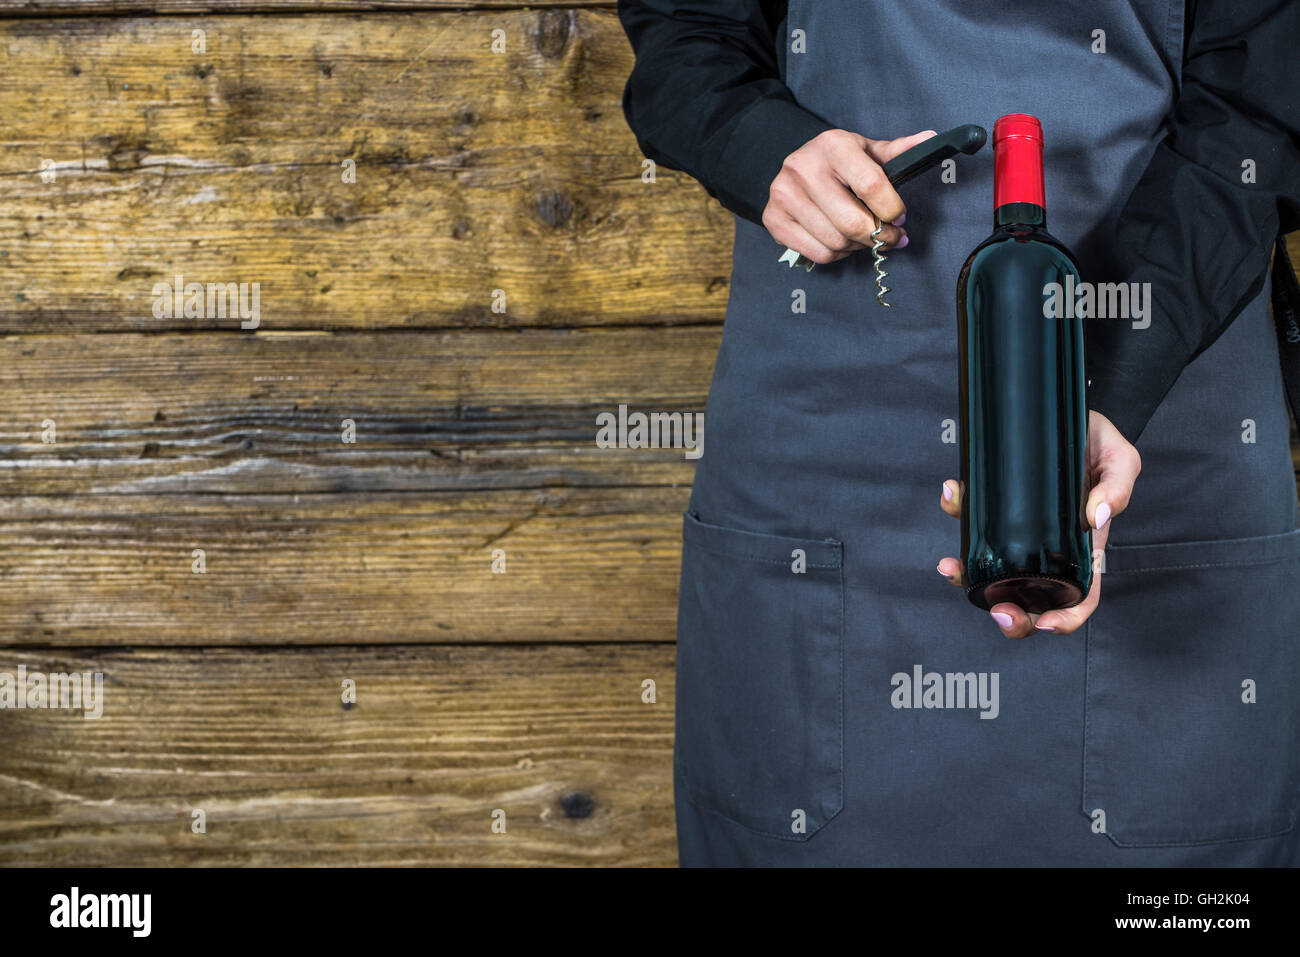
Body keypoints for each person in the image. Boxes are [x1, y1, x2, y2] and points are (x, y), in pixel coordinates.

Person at [618, 0, 1300, 865]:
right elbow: (688, 30)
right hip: (835, 438)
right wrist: (761, 144)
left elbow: (1267, 98)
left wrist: (1118, 379)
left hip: (1171, 419)